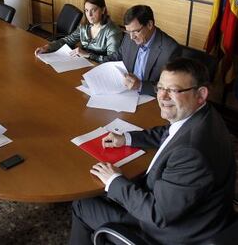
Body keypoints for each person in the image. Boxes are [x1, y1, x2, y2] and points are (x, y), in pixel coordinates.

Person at [69, 58, 236, 245]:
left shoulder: (191, 153)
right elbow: (169, 132)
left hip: (167, 232)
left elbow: (157, 213)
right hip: (199, 211)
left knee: (82, 204)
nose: (162, 96)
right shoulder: (204, 116)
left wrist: (114, 181)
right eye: (160, 87)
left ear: (201, 94)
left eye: (173, 90)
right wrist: (127, 138)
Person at [101, 5, 181, 96]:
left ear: (150, 25)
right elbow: (117, 56)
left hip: (150, 100)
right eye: (128, 32)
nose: (131, 37)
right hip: (125, 93)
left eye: (136, 31)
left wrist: (140, 85)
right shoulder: (129, 37)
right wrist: (100, 67)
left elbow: (170, 88)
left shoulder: (170, 50)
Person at [35, 0, 122, 62]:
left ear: (103, 10)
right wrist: (47, 47)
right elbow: (67, 40)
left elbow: (112, 60)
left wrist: (88, 55)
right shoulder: (84, 27)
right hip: (82, 64)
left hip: (101, 70)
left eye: (93, 10)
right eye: (87, 10)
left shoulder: (112, 31)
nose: (89, 15)